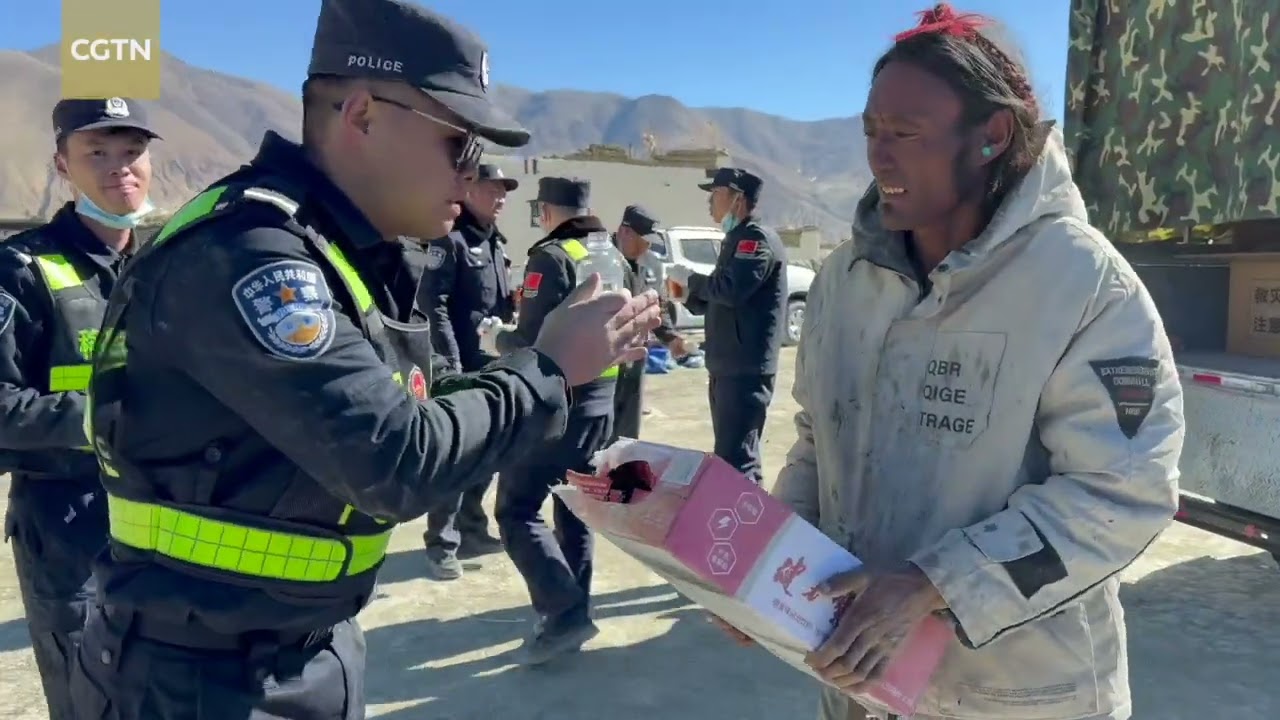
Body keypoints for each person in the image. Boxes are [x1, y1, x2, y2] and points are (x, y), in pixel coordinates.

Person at [68, 2, 662, 718]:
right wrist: (549, 367)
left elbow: (418, 408)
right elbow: (394, 459)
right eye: (459, 143)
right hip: (197, 676)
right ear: (363, 115)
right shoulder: (250, 256)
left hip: (291, 648)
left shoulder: (347, 250)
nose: (473, 173)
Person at [760, 5, 1184, 720]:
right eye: (870, 131)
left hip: (1016, 697)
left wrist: (934, 584)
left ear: (990, 137)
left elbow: (1123, 493)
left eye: (904, 134)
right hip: (861, 684)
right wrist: (762, 571)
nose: (878, 156)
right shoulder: (845, 280)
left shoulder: (1081, 285)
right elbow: (815, 441)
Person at [0, 97, 160, 720]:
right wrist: (106, 420)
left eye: (132, 151)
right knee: (89, 701)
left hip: (163, 529)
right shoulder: (20, 268)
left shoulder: (159, 265)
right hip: (71, 532)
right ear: (63, 164)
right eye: (97, 152)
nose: (119, 167)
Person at [489, 177, 625, 665]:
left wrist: (496, 341)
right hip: (601, 402)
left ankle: (563, 611)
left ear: (547, 210)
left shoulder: (551, 257)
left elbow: (530, 340)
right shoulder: (609, 252)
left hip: (557, 403)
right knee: (574, 507)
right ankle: (574, 610)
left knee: (516, 509)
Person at [417, 163, 518, 580]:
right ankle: (441, 543)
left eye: (504, 190)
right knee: (458, 455)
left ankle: (473, 527)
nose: (501, 197)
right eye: (493, 188)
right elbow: (432, 304)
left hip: (492, 363)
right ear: (470, 189)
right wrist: (450, 361)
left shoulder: (495, 243)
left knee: (490, 452)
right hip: (460, 365)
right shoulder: (450, 239)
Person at [666, 167, 786, 485]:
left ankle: (748, 529)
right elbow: (720, 297)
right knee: (731, 456)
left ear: (737, 199)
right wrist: (688, 294)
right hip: (728, 364)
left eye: (715, 194)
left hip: (745, 368)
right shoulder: (736, 238)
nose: (709, 202)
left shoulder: (755, 240)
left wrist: (691, 279)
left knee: (737, 462)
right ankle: (747, 526)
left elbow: (731, 289)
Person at [611, 204, 690, 440]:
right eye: (643, 239)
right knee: (600, 433)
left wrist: (671, 338)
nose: (647, 245)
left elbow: (660, 305)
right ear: (625, 232)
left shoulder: (650, 264)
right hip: (604, 361)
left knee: (627, 433)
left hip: (635, 359)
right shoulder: (603, 261)